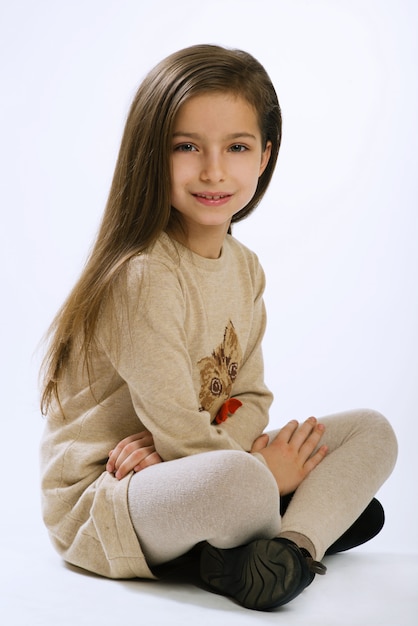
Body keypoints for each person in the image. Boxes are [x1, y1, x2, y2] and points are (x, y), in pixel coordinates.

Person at [40, 44, 398, 611]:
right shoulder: (144, 274)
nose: (213, 169)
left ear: (264, 157)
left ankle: (290, 552)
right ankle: (301, 514)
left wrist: (236, 453)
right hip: (112, 499)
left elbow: (250, 396)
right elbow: (181, 428)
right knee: (245, 483)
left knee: (371, 432)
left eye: (236, 147)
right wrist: (260, 469)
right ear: (151, 156)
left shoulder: (245, 268)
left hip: (196, 464)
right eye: (187, 147)